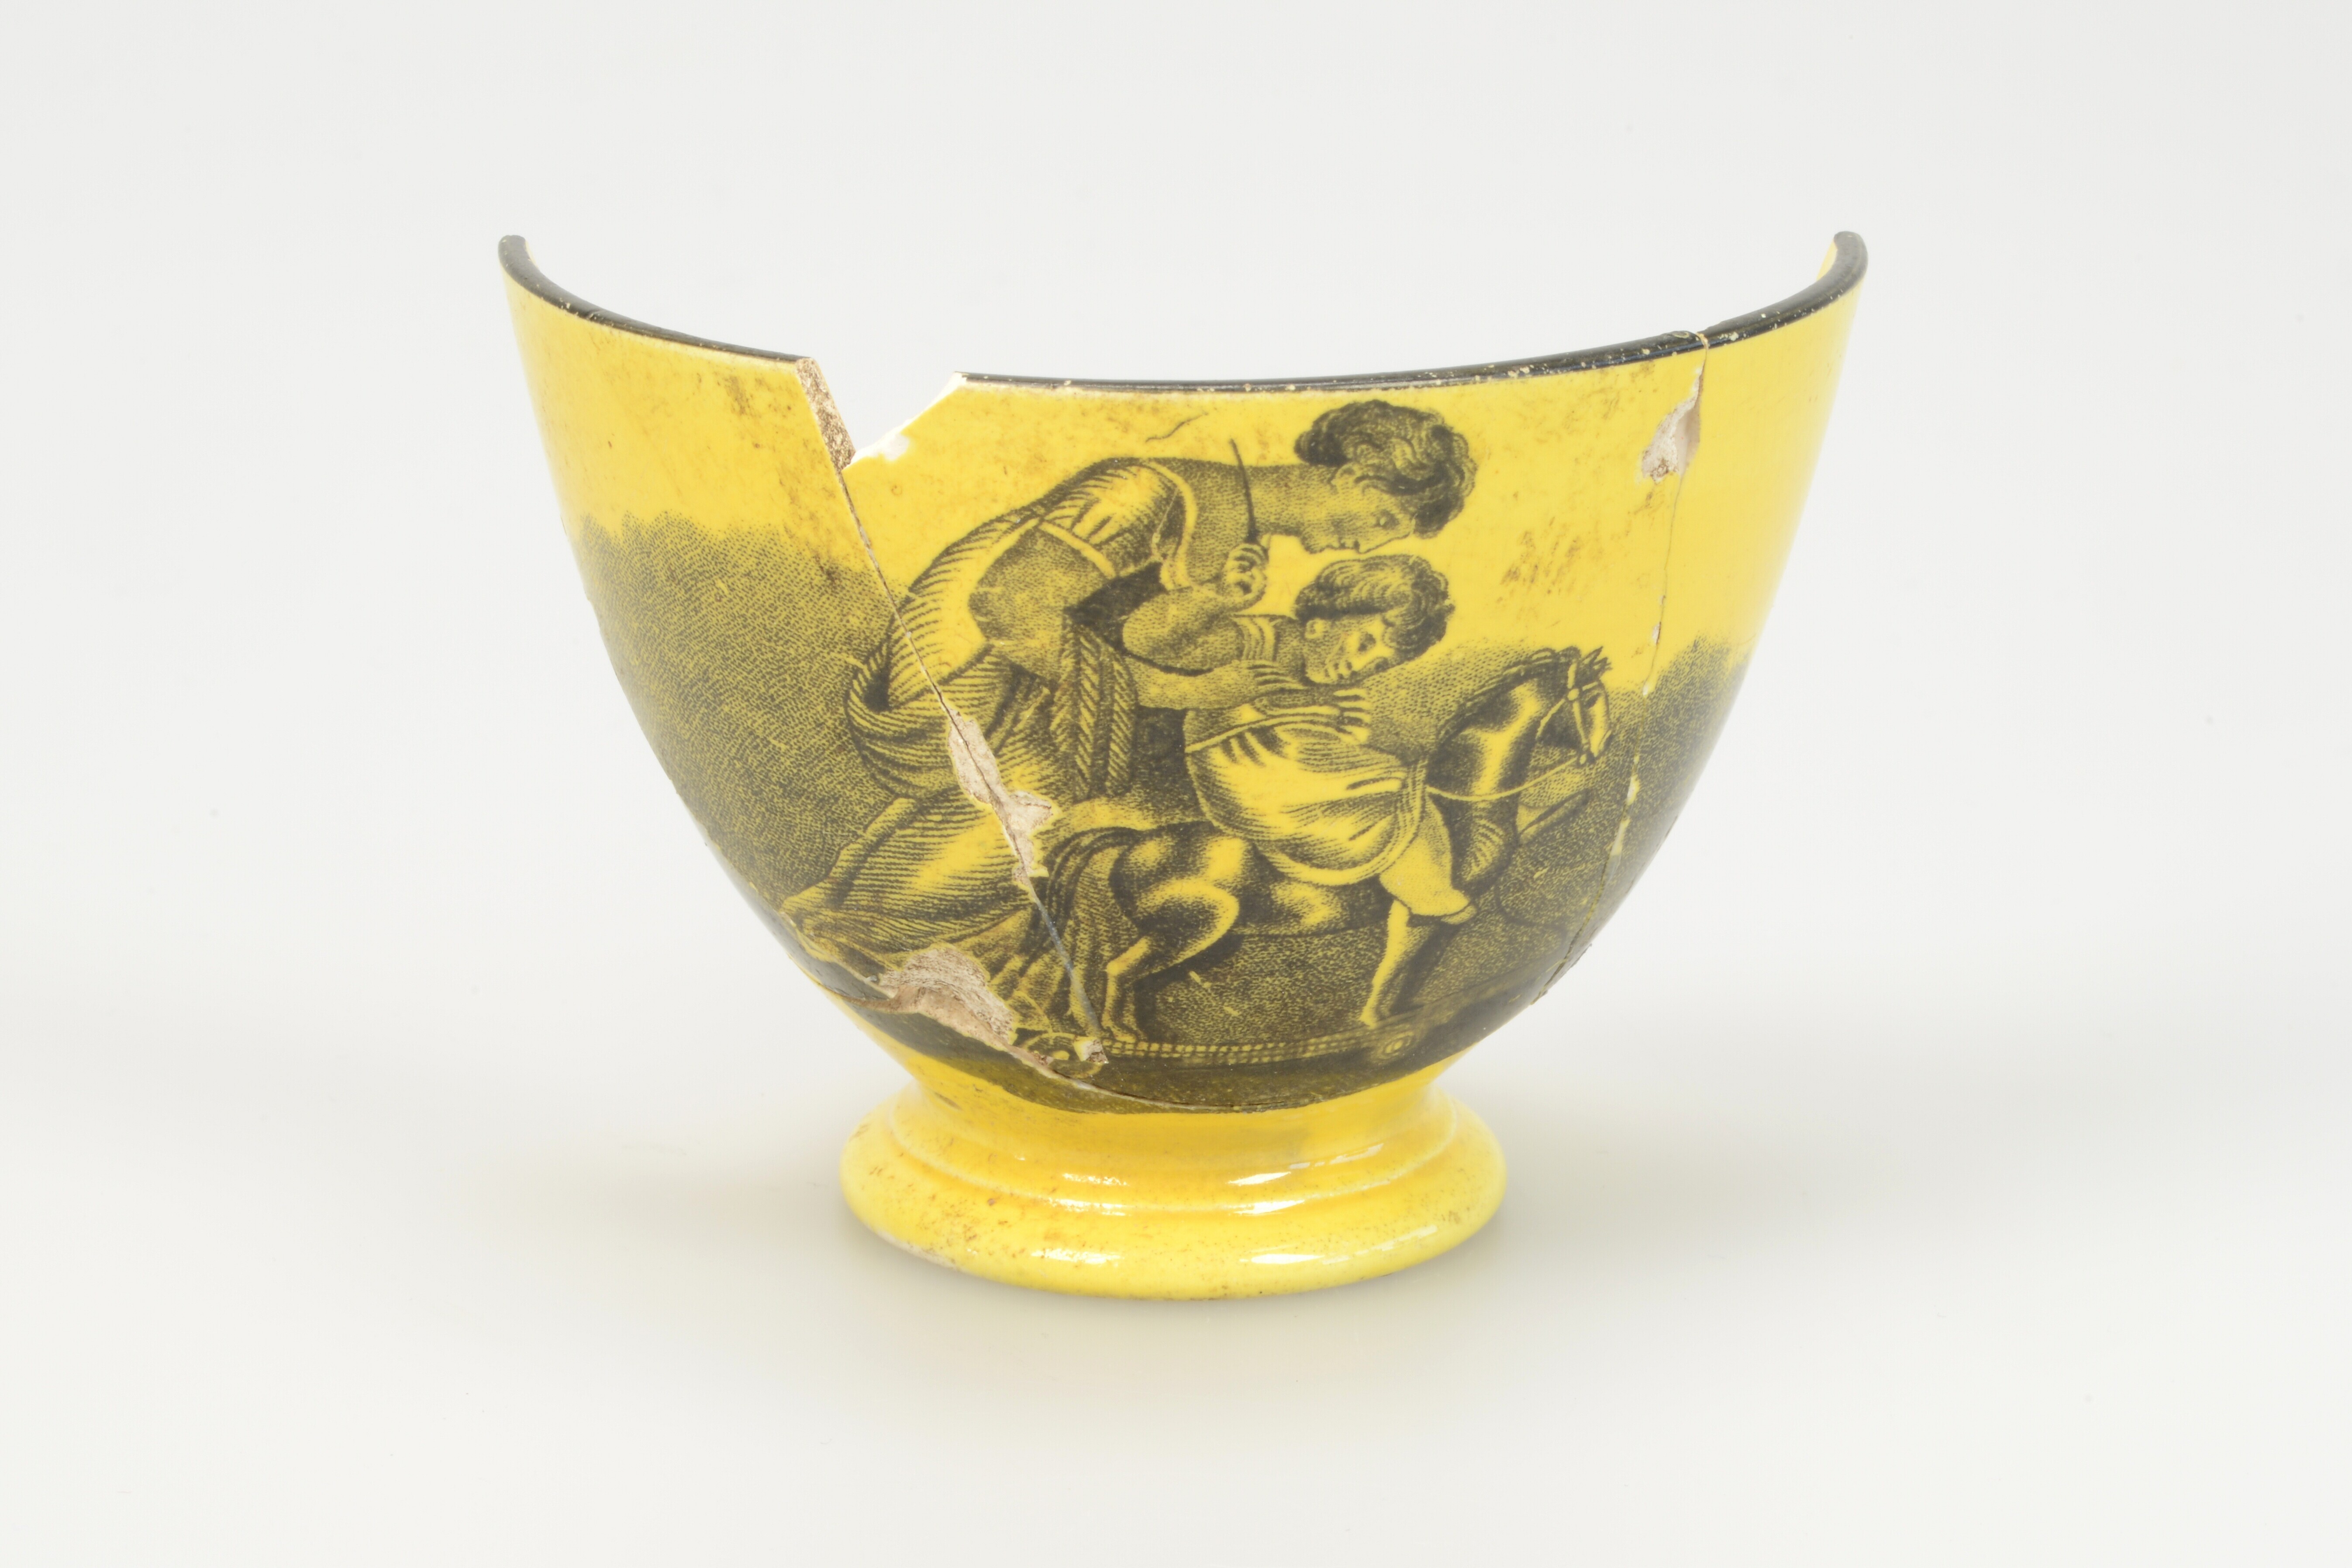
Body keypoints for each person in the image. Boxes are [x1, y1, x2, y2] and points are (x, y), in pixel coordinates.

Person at [783, 400, 1476, 985]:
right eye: (1381, 521)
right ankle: (861, 924)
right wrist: (1182, 690)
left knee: (1142, 797)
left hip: (1051, 680)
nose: (1366, 547)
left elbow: (1167, 643)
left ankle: (901, 920)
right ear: (1352, 476)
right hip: (968, 674)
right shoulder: (1144, 495)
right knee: (1042, 801)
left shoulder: (1238, 534)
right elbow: (1007, 605)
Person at [1126, 553, 1470, 923]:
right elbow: (1144, 640)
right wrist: (1217, 598)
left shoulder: (1338, 684)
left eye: (1382, 664)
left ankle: (1428, 888)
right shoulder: (1268, 639)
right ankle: (1429, 892)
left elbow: (1321, 728)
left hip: (1288, 777)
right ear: (1319, 625)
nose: (1360, 666)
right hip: (1248, 769)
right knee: (1394, 789)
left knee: (1397, 778)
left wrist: (1333, 721)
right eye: (1364, 643)